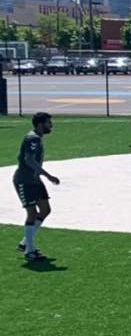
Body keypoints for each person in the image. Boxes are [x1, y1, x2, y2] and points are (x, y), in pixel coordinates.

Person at [14, 112, 59, 263]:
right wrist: (48, 175)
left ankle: (25, 242)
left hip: (34, 180)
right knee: (32, 213)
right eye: (48, 123)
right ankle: (29, 251)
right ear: (40, 124)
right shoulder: (33, 138)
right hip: (24, 181)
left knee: (45, 209)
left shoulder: (36, 138)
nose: (51, 125)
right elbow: (29, 160)